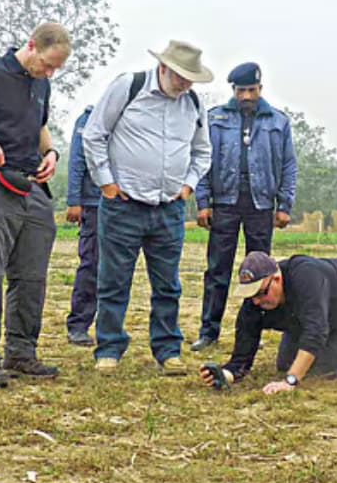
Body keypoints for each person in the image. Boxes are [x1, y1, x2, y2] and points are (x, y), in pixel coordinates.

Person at [81, 40, 212, 375]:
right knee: (113, 281)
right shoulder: (129, 87)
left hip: (169, 208)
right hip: (123, 206)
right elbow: (94, 134)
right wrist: (106, 183)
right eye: (180, 76)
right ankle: (109, 348)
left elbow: (203, 151)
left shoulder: (193, 103)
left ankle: (168, 350)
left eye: (190, 78)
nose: (185, 84)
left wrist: (188, 186)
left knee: (168, 285)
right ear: (163, 67)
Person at [0, 22, 70, 388]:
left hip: (32, 185)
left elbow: (40, 126)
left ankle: (21, 351)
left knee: (32, 274)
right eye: (47, 64)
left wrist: (51, 153)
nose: (49, 73)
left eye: (55, 69)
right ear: (31, 45)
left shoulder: (41, 83)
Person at [191, 62, 298, 352]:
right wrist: (203, 201)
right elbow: (202, 160)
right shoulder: (215, 118)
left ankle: (255, 332)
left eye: (251, 90)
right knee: (217, 270)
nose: (246, 96)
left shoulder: (278, 121)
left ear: (260, 89)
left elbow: (288, 165)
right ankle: (208, 332)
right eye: (241, 91)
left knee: (262, 271)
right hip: (224, 203)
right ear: (233, 90)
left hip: (261, 204)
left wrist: (284, 204)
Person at [197, 251, 337, 394]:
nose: (257, 301)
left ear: (276, 279)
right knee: (286, 364)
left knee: (331, 364)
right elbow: (243, 352)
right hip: (309, 313)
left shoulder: (306, 276)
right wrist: (226, 374)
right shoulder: (255, 303)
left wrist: (290, 381)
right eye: (251, 296)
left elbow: (316, 332)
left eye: (261, 293)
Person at [63, 104, 100, 347]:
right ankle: (78, 325)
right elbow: (77, 161)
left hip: (125, 202)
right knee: (91, 264)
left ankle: (109, 326)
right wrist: (74, 200)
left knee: (117, 269)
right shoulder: (88, 119)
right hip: (94, 203)